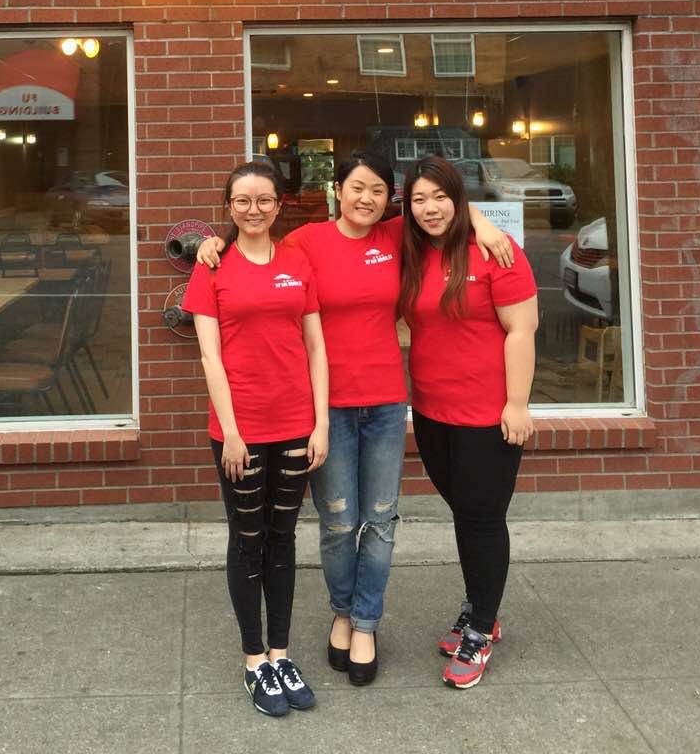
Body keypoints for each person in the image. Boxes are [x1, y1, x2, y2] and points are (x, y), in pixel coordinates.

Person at [197, 149, 512, 687]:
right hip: (327, 407)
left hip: (386, 402)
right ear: (337, 190)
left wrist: (483, 222)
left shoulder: (395, 236)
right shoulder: (306, 242)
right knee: (339, 522)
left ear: (389, 199)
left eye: (378, 190)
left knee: (381, 520)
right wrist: (214, 242)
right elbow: (254, 235)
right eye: (356, 187)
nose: (366, 198)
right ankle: (342, 613)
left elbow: (441, 208)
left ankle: (366, 622)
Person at [183, 159, 329, 718]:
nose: (254, 209)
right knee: (248, 540)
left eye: (264, 199)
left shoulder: (297, 260)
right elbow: (210, 358)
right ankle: (253, 660)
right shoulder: (212, 267)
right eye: (242, 200)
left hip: (295, 424)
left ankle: (280, 654)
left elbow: (315, 346)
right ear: (228, 207)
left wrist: (321, 423)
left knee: (283, 539)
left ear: (278, 205)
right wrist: (232, 433)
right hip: (239, 432)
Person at [399, 155, 538, 690]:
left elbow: (522, 330)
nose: (430, 208)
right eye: (419, 199)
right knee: (465, 513)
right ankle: (482, 604)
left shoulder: (497, 252)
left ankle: (480, 626)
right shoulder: (414, 249)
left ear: (459, 198)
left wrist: (517, 403)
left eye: (441, 196)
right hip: (432, 411)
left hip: (487, 415)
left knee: (482, 518)